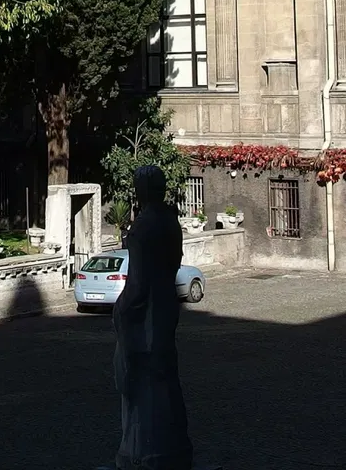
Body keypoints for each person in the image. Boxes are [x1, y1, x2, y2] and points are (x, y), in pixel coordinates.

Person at [109, 164, 193, 470]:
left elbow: (138, 284)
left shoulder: (144, 225)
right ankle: (172, 449)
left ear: (142, 190)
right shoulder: (171, 222)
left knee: (142, 387)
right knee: (165, 381)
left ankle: (143, 455)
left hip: (145, 319)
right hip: (166, 310)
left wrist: (121, 309)